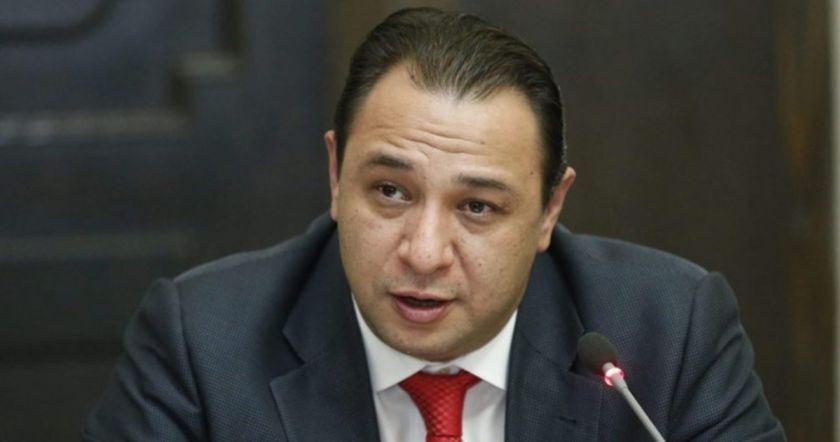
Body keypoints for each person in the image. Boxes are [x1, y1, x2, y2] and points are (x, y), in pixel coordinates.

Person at [83, 7, 785, 441]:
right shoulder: (203, 344)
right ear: (336, 175)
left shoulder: (669, 332)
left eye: (477, 207)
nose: (423, 253)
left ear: (550, 210)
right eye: (390, 192)